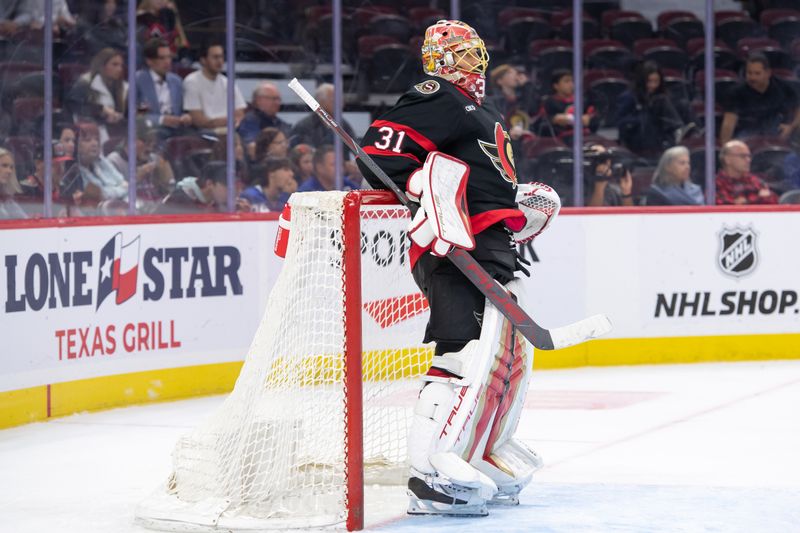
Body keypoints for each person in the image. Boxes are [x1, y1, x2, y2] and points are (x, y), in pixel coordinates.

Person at [357, 20, 559, 516]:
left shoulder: (480, 109)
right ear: (441, 62)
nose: (477, 65)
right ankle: (428, 476)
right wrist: (424, 186)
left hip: (491, 246)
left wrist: (518, 200)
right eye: (466, 57)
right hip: (452, 248)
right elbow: (378, 151)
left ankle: (476, 453)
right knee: (461, 355)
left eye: (477, 55)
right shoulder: (438, 96)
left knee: (499, 361)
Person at [720, 53, 800, 143]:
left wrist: (791, 127)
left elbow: (798, 108)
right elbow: (729, 123)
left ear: (768, 73)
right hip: (748, 131)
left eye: (757, 73)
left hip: (776, 130)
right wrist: (726, 148)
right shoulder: (735, 93)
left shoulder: (783, 87)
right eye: (749, 73)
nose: (752, 77)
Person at [615, 61, 690, 158]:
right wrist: (642, 114)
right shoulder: (629, 96)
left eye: (656, 82)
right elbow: (621, 122)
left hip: (657, 134)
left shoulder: (659, 97)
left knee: (682, 104)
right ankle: (677, 129)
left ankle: (688, 132)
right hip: (636, 137)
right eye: (649, 81)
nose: (653, 85)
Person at [67, 48, 128, 145]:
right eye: (114, 64)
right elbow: (74, 106)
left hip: (116, 133)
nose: (119, 69)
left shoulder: (124, 87)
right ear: (102, 65)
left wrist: (117, 117)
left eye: (121, 65)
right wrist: (101, 110)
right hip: (92, 134)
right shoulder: (85, 83)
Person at [106, 123, 174, 206]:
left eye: (152, 142)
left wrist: (165, 176)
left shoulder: (153, 158)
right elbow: (114, 199)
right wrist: (137, 177)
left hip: (159, 209)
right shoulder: (113, 161)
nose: (150, 147)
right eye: (146, 141)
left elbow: (170, 190)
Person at [182, 43, 246, 131]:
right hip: (203, 134)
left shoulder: (228, 83)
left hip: (230, 132)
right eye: (215, 57)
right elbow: (198, 120)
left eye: (221, 57)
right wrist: (225, 121)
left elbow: (239, 113)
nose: (220, 61)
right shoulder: (192, 81)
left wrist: (226, 122)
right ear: (203, 60)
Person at [136, 38, 191, 136]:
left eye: (169, 57)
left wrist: (186, 116)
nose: (167, 62)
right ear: (149, 61)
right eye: (162, 58)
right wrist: (161, 120)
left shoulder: (176, 81)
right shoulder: (138, 80)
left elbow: (183, 110)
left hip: (178, 129)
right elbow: (133, 115)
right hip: (153, 130)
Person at [74, 121, 128, 201]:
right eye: (88, 140)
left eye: (97, 139)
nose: (94, 143)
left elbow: (125, 184)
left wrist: (109, 193)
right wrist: (120, 190)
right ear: (76, 145)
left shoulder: (101, 160)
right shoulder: (75, 172)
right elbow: (99, 196)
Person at [289, 83, 355, 148]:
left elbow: (357, 150)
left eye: (341, 101)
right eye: (334, 101)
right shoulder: (303, 126)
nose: (341, 105)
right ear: (320, 102)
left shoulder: (344, 125)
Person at [541, 69, 598, 142]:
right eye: (566, 81)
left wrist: (589, 118)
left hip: (585, 136)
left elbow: (594, 118)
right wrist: (553, 120)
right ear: (556, 86)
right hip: (562, 139)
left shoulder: (582, 100)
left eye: (572, 81)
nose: (571, 84)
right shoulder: (549, 103)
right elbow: (544, 124)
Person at [715, 140, 778, 205]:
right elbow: (725, 206)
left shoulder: (753, 180)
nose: (748, 160)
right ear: (727, 160)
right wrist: (759, 198)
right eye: (743, 156)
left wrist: (745, 202)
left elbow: (773, 199)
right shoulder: (716, 184)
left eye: (749, 156)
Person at [486, 64, 536, 139]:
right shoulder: (495, 101)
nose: (516, 74)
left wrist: (527, 86)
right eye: (509, 72)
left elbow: (531, 109)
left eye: (515, 72)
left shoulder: (522, 97)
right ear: (500, 81)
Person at [158, 160, 228, 213]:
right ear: (209, 184)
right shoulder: (178, 200)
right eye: (226, 185)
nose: (232, 190)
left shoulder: (217, 202)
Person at [238, 82, 291, 150]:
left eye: (278, 99)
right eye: (273, 99)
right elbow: (253, 147)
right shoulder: (248, 122)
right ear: (259, 100)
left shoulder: (282, 124)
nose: (277, 103)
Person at [0, 148, 27, 219]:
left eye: (11, 167)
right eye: (4, 166)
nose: (9, 171)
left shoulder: (7, 199)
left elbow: (23, 219)